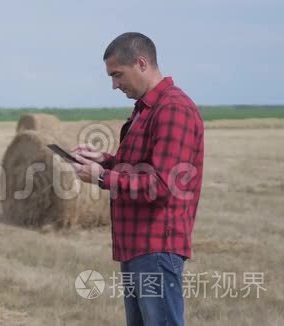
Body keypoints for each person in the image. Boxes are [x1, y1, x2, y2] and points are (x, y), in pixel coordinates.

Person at [70, 32, 204, 326]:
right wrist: (103, 159)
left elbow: (163, 184)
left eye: (117, 75)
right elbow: (140, 167)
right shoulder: (146, 110)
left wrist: (103, 177)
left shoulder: (173, 109)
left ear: (142, 63)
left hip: (156, 246)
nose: (114, 85)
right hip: (137, 246)